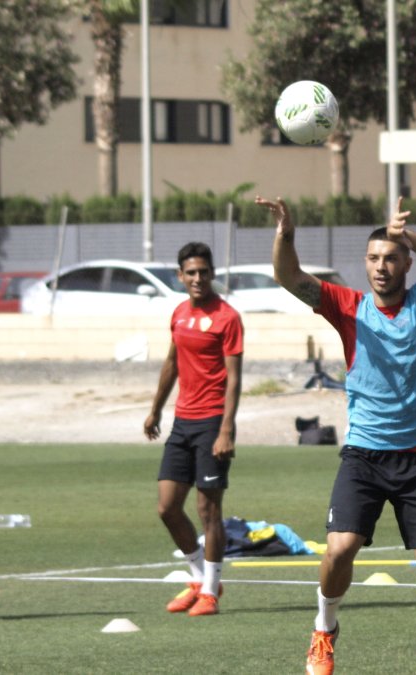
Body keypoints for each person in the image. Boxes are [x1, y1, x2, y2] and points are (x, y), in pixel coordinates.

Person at [256, 195, 416, 675]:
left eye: (391, 258)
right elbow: (289, 278)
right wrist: (286, 234)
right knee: (339, 549)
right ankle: (324, 630)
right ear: (365, 265)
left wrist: (406, 234)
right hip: (364, 455)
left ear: (406, 263)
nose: (382, 267)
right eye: (374, 259)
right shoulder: (348, 306)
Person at [144, 241, 243, 617]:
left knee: (208, 510)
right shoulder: (180, 314)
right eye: (191, 272)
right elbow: (171, 363)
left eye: (204, 271)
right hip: (182, 422)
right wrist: (155, 410)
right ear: (180, 276)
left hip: (212, 422)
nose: (198, 278)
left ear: (212, 273)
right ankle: (203, 578)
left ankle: (210, 594)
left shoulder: (227, 318)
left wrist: (226, 430)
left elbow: (234, 379)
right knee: (167, 507)